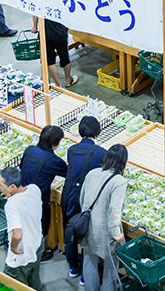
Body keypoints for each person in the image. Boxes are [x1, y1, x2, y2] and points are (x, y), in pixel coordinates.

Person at [61, 116, 106, 280]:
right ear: (97, 132)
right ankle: (85, 276)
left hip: (68, 195)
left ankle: (73, 267)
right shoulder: (101, 153)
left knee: (70, 230)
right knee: (87, 234)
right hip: (86, 198)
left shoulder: (71, 150)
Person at [80, 145, 128, 291]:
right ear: (124, 163)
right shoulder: (119, 181)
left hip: (88, 226)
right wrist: (117, 234)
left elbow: (82, 199)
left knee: (89, 262)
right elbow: (114, 211)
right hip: (106, 232)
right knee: (110, 268)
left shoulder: (92, 173)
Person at [20, 125, 69, 261]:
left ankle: (20, 246)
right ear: (55, 143)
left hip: (22, 193)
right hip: (38, 198)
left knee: (24, 222)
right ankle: (35, 254)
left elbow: (21, 166)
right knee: (39, 225)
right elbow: (69, 173)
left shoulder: (29, 150)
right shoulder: (53, 161)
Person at [0, 166, 44, 291]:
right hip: (38, 244)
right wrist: (11, 196)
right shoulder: (34, 189)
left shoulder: (11, 206)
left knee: (14, 283)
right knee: (34, 279)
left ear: (12, 187)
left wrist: (13, 247)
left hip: (23, 251)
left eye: (1, 184)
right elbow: (24, 200)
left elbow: (17, 235)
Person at [32, 18, 76, 89]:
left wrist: (35, 26)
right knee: (65, 57)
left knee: (50, 61)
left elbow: (35, 12)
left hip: (45, 33)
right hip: (60, 32)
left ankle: (58, 85)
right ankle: (68, 80)